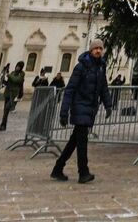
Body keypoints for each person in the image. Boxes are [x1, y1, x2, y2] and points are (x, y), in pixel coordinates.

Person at [51, 39, 113, 183]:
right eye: (96, 48)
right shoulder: (81, 67)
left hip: (90, 108)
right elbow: (70, 89)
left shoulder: (101, 67)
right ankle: (83, 172)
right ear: (91, 50)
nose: (98, 51)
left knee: (74, 141)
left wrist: (108, 105)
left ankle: (58, 168)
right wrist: (64, 112)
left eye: (100, 48)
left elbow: (103, 88)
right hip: (80, 106)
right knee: (82, 142)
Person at [0, 62, 27, 131]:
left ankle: (3, 125)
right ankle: (3, 125)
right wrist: (3, 78)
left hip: (14, 94)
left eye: (19, 67)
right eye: (17, 66)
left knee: (7, 108)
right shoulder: (12, 73)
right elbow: (8, 82)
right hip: (7, 92)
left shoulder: (22, 74)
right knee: (5, 111)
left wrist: (8, 75)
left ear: (21, 68)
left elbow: (16, 80)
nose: (17, 67)